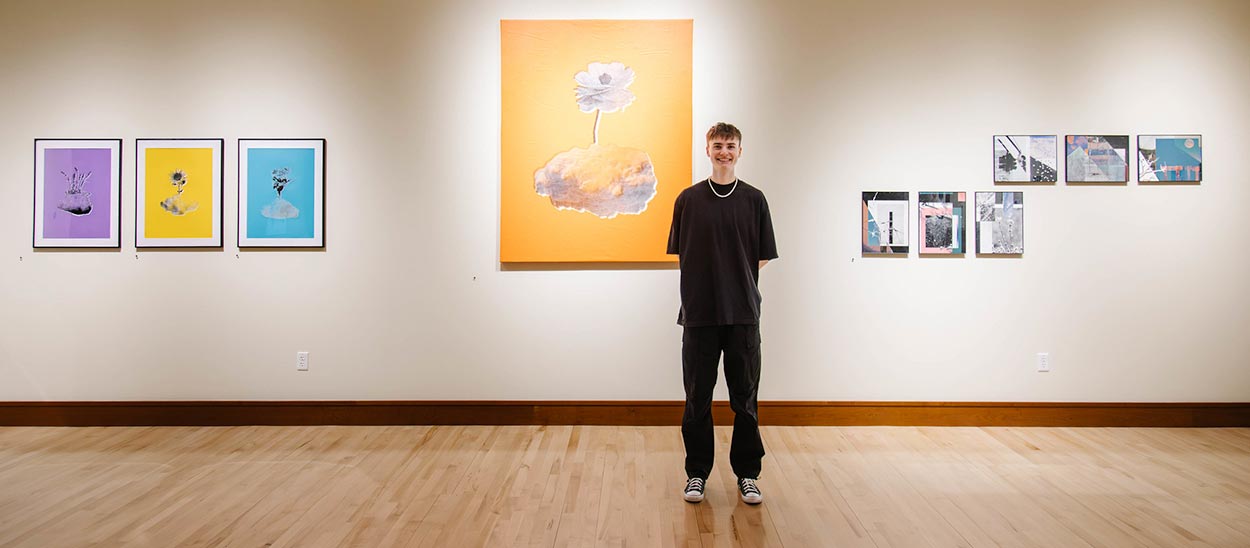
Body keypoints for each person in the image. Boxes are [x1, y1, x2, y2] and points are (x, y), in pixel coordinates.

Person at [667, 122, 778, 505]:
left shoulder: (755, 200)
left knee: (744, 399)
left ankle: (748, 474)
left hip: (744, 314)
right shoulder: (688, 200)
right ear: (707, 150)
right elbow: (684, 253)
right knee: (697, 398)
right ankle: (696, 474)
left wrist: (734, 281)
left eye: (731, 146)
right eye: (718, 145)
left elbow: (762, 256)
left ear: (740, 151)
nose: (724, 152)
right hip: (699, 315)